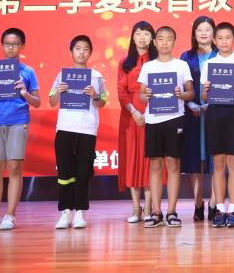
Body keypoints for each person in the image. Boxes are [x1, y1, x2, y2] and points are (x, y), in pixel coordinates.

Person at [0, 27, 40, 231]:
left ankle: (10, 216)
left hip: (18, 121)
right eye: (7, 44)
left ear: (22, 46)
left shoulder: (28, 72)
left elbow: (37, 102)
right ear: (2, 45)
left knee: (14, 167)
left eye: (14, 44)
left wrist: (24, 92)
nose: (10, 48)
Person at [49, 35, 108, 229]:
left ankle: (80, 212)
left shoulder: (96, 76)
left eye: (85, 49)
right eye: (77, 48)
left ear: (90, 53)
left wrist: (95, 95)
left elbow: (102, 102)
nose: (81, 52)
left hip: (87, 129)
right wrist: (59, 92)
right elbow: (52, 101)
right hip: (65, 127)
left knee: (84, 171)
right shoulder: (62, 75)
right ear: (71, 51)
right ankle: (66, 212)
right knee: (64, 171)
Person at [138, 26, 194, 228]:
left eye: (169, 39)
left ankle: (171, 211)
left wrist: (181, 94)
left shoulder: (181, 65)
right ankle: (155, 212)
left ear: (174, 42)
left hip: (175, 118)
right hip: (153, 120)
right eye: (160, 39)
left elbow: (191, 93)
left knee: (173, 164)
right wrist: (147, 96)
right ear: (154, 42)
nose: (164, 42)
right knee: (155, 164)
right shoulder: (148, 67)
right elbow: (141, 95)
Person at [201, 21, 234, 228]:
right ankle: (220, 209)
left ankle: (233, 209)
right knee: (218, 164)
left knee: (233, 163)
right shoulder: (209, 64)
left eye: (228, 38)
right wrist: (206, 90)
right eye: (220, 38)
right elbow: (204, 97)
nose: (224, 42)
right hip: (215, 113)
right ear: (214, 40)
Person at [117, 21, 159, 223]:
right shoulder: (125, 62)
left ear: (152, 38)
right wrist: (134, 112)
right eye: (138, 33)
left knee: (150, 160)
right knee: (132, 160)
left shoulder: (158, 61)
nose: (142, 37)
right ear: (133, 37)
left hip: (155, 113)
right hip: (130, 115)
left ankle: (149, 207)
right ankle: (136, 208)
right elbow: (121, 91)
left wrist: (149, 112)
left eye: (146, 34)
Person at [179, 16, 218, 221]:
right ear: (194, 33)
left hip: (216, 113)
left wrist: (214, 103)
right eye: (199, 30)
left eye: (207, 29)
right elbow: (180, 86)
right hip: (192, 115)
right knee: (195, 160)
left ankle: (214, 203)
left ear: (214, 33)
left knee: (216, 160)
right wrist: (190, 104)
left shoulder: (221, 55)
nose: (203, 33)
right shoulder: (186, 57)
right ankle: (198, 204)